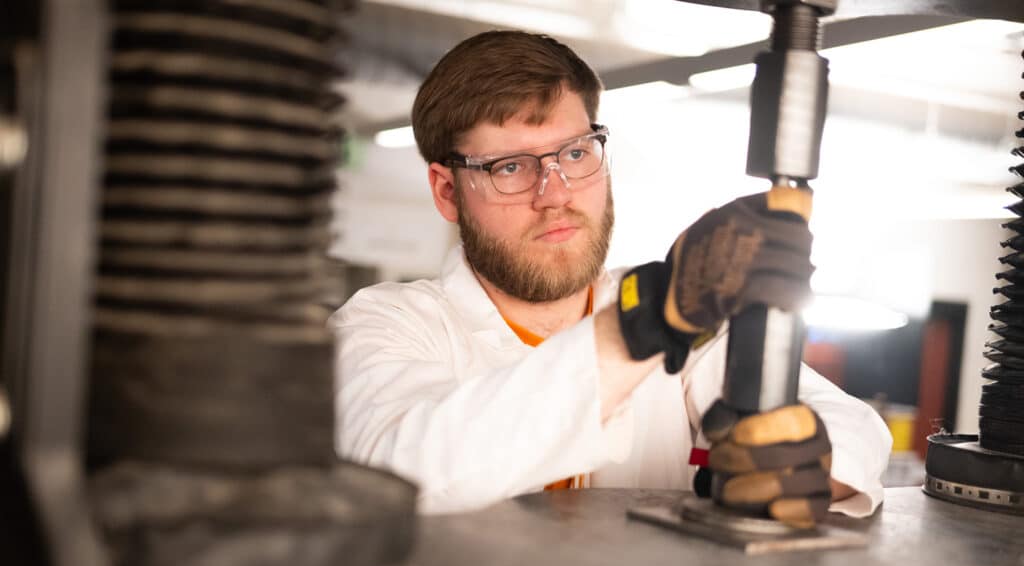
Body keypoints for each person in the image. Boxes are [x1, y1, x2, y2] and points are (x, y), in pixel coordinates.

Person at [331, 30, 891, 525]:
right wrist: (640, 325)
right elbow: (395, 472)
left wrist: (810, 467)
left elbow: (849, 422)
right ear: (447, 192)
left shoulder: (685, 315)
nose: (556, 196)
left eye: (575, 153)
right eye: (510, 167)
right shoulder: (386, 324)